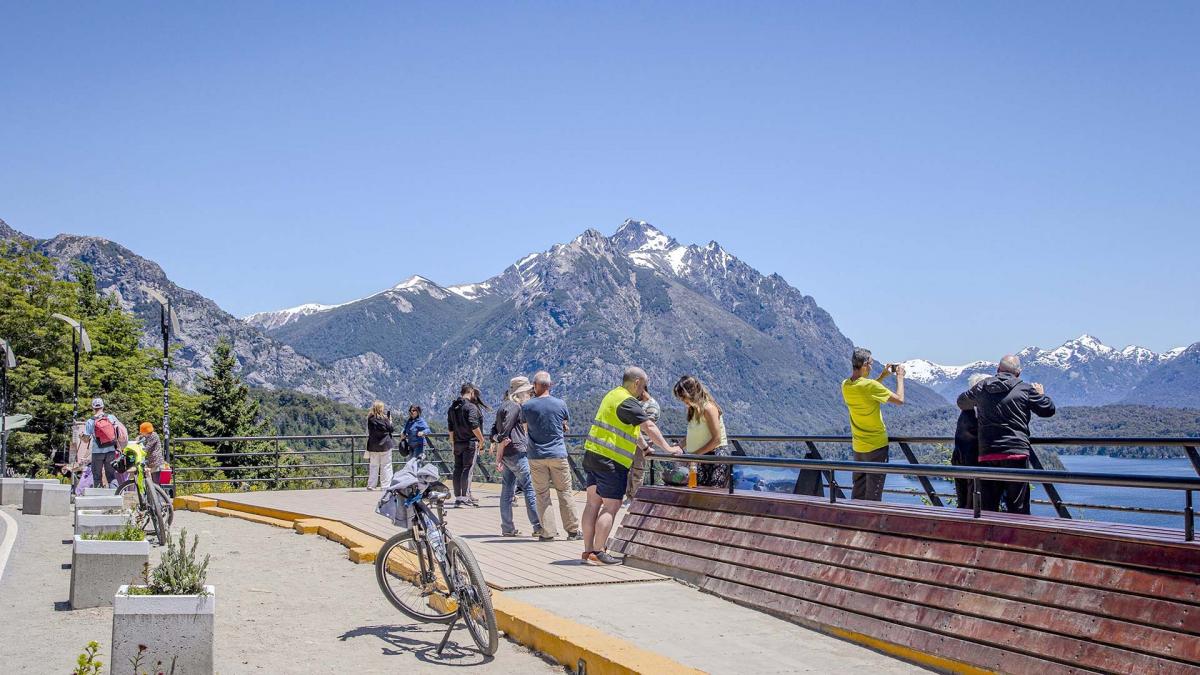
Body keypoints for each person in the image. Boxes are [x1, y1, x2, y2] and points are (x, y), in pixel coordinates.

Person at [581, 367, 681, 565]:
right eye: (643, 386)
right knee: (611, 506)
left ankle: (587, 551)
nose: (643, 390)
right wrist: (669, 448)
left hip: (592, 455)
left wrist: (644, 448)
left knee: (592, 504)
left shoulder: (612, 395)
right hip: (610, 460)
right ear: (637, 383)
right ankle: (599, 552)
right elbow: (648, 426)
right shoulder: (628, 401)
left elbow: (631, 430)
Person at [957, 355, 1056, 514]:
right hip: (1016, 453)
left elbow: (962, 402)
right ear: (1018, 372)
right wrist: (1041, 395)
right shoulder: (1024, 389)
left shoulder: (982, 387)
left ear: (998, 369)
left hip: (987, 454)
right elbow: (1048, 410)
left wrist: (982, 402)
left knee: (988, 508)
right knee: (1018, 507)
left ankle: (989, 530)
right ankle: (1016, 530)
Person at [522, 371, 581, 541]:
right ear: (550, 385)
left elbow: (526, 429)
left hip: (536, 455)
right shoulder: (560, 404)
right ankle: (572, 531)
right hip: (558, 454)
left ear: (535, 386)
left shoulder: (527, 406)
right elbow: (564, 425)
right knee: (565, 492)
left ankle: (548, 532)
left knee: (542, 494)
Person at [841, 348, 905, 501]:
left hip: (858, 447)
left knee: (858, 491)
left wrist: (882, 376)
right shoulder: (870, 386)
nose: (871, 367)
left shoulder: (846, 385)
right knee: (873, 494)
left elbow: (866, 389)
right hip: (876, 447)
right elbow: (899, 400)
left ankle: (854, 516)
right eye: (870, 363)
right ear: (864, 365)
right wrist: (900, 377)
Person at [490, 376, 542, 537]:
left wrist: (497, 441)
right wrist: (501, 439)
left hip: (507, 454)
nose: (530, 394)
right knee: (529, 487)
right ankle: (538, 526)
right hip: (517, 452)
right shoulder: (515, 406)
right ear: (521, 393)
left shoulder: (503, 406)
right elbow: (505, 431)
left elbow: (493, 431)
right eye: (528, 392)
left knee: (507, 490)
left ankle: (507, 527)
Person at [673, 375, 730, 489]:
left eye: (683, 397)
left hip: (714, 458)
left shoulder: (709, 408)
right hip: (699, 458)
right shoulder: (693, 409)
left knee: (711, 493)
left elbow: (716, 439)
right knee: (696, 491)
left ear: (691, 393)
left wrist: (695, 455)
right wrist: (679, 446)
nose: (682, 400)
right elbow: (692, 434)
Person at [952, 374, 989, 509]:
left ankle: (962, 518)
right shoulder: (981, 411)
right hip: (975, 460)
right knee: (974, 500)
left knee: (963, 499)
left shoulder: (965, 409)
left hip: (959, 458)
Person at [447, 384, 489, 506]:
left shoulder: (452, 407)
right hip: (470, 443)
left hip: (457, 443)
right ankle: (465, 498)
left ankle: (458, 497)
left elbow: (450, 428)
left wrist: (452, 443)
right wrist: (481, 440)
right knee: (467, 469)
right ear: (471, 392)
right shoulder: (470, 407)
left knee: (457, 469)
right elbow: (473, 425)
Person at [624, 386, 661, 504]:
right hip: (632, 441)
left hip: (642, 443)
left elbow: (646, 427)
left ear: (643, 390)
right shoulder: (638, 403)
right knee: (629, 471)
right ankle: (628, 496)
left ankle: (635, 498)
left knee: (638, 471)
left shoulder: (652, 406)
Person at [82, 398, 122, 488]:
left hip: (97, 452)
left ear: (93, 408)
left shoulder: (90, 421)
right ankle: (116, 495)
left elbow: (86, 440)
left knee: (97, 477)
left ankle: (98, 495)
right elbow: (118, 432)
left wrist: (81, 436)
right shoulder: (111, 417)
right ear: (103, 406)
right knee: (111, 476)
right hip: (111, 451)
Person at [365, 401, 395, 490]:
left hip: (373, 446)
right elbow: (391, 429)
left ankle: (371, 485)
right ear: (381, 408)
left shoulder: (370, 419)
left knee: (373, 466)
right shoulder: (385, 419)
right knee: (386, 466)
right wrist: (390, 421)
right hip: (385, 445)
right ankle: (385, 485)